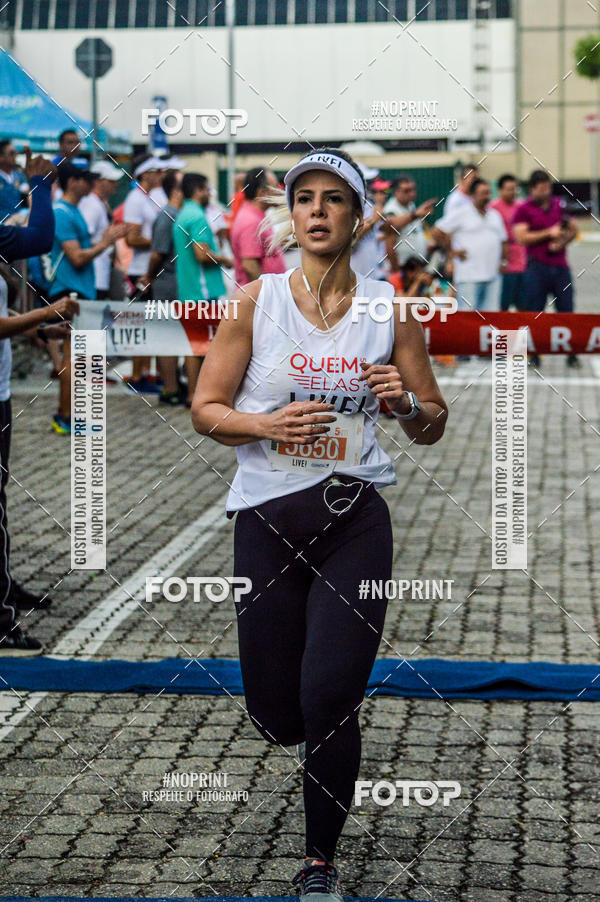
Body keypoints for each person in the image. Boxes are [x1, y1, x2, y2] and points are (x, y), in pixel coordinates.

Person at [191, 147, 447, 899]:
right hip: (266, 521)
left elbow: (431, 422)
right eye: (305, 196)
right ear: (290, 214)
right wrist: (264, 423)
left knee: (330, 696)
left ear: (359, 216)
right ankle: (300, 731)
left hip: (353, 521)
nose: (318, 209)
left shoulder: (389, 308)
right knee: (278, 711)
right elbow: (205, 409)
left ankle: (318, 863)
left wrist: (402, 402)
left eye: (335, 198)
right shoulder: (254, 301)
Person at [49, 162, 127, 434]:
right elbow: (77, 257)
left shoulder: (72, 211)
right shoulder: (61, 212)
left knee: (78, 357)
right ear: (73, 182)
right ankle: (64, 416)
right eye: (86, 179)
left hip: (80, 291)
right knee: (72, 358)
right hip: (69, 292)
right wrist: (105, 243)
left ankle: (70, 414)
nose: (91, 184)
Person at [173, 173, 232, 407]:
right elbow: (202, 254)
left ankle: (193, 394)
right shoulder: (198, 216)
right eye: (207, 189)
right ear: (198, 190)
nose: (209, 194)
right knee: (206, 346)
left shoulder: (182, 214)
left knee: (193, 345)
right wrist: (224, 260)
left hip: (188, 288)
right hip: (203, 290)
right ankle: (200, 396)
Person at [512, 169, 579, 368]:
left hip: (560, 266)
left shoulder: (559, 204)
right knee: (535, 312)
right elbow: (522, 237)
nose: (546, 191)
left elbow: (573, 228)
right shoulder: (524, 209)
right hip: (536, 267)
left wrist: (562, 241)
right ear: (532, 189)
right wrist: (549, 233)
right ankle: (534, 353)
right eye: (541, 188)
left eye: (548, 187)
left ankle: (572, 353)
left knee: (567, 311)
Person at [433, 177, 509, 313]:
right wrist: (450, 252)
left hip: (493, 275)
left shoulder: (495, 215)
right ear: (473, 195)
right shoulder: (461, 213)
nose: (487, 196)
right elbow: (438, 231)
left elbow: (503, 241)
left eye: (488, 192)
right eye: (483, 193)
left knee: (491, 315)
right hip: (469, 276)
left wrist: (503, 261)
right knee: (468, 315)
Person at [142, 169, 184, 405]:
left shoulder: (176, 214)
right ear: (175, 190)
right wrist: (149, 276)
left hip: (174, 283)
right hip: (166, 283)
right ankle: (170, 387)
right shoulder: (167, 215)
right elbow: (157, 252)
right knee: (167, 336)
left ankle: (173, 384)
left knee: (174, 336)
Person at [123, 155, 164, 391]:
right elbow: (132, 238)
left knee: (150, 324)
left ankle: (146, 374)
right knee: (141, 325)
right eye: (156, 170)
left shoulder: (146, 198)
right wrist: (160, 244)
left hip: (148, 268)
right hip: (140, 271)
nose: (161, 174)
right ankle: (137, 376)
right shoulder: (135, 200)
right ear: (145, 174)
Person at [230, 167, 286, 286]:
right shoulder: (251, 221)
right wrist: (269, 294)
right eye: (275, 187)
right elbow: (250, 266)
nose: (280, 190)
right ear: (262, 193)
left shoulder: (256, 216)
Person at [79, 160, 123, 300]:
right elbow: (83, 240)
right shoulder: (92, 205)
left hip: (100, 273)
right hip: (95, 275)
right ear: (97, 182)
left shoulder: (99, 203)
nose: (115, 184)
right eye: (111, 181)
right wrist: (106, 242)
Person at [489, 174, 527, 312]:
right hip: (504, 266)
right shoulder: (492, 208)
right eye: (509, 189)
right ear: (500, 190)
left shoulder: (522, 206)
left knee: (524, 305)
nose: (513, 192)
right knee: (503, 305)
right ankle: (503, 334)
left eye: (515, 189)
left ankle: (522, 332)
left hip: (523, 263)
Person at [382, 176, 435, 271]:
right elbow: (392, 227)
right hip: (402, 270)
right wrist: (397, 271)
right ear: (396, 192)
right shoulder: (391, 208)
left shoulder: (411, 206)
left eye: (413, 190)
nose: (412, 194)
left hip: (416, 267)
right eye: (407, 191)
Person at [350, 177, 390, 280]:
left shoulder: (372, 206)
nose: (384, 195)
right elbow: (352, 237)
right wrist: (374, 220)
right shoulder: (354, 206)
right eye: (379, 192)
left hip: (372, 270)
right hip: (358, 271)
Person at [0, 141, 29, 224]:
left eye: (16, 152)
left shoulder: (19, 176)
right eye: (12, 153)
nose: (16, 155)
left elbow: (27, 194)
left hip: (17, 224)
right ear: (1, 157)